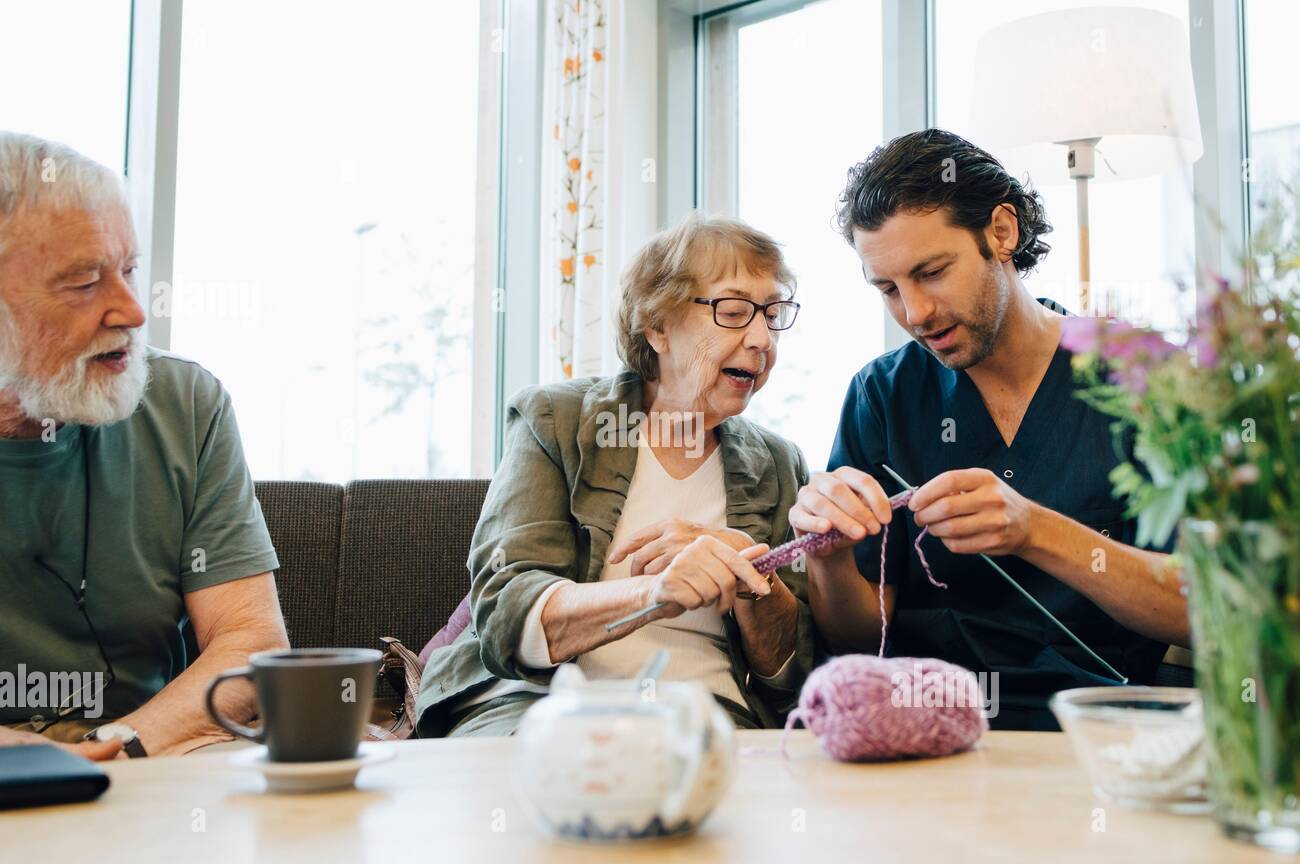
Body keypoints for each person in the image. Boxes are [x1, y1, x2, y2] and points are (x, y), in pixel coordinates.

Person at [789, 129, 1188, 729]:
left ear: (1002, 232)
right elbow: (856, 641)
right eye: (888, 289)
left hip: (1092, 735)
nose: (915, 313)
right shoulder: (883, 395)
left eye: (932, 271)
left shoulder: (1146, 378)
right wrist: (828, 558)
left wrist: (1032, 530)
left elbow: (1206, 608)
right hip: (920, 735)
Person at [416, 213, 815, 737]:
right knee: (554, 775)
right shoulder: (555, 421)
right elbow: (505, 612)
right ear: (657, 325)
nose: (763, 339)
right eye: (735, 311)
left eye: (772, 314)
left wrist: (754, 581)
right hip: (538, 704)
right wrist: (654, 594)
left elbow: (791, 677)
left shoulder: (781, 464)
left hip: (709, 718)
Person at [0, 132, 288, 758]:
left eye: (128, 271)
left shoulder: (185, 404)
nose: (131, 310)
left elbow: (250, 642)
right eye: (84, 284)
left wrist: (119, 748)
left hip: (153, 762)